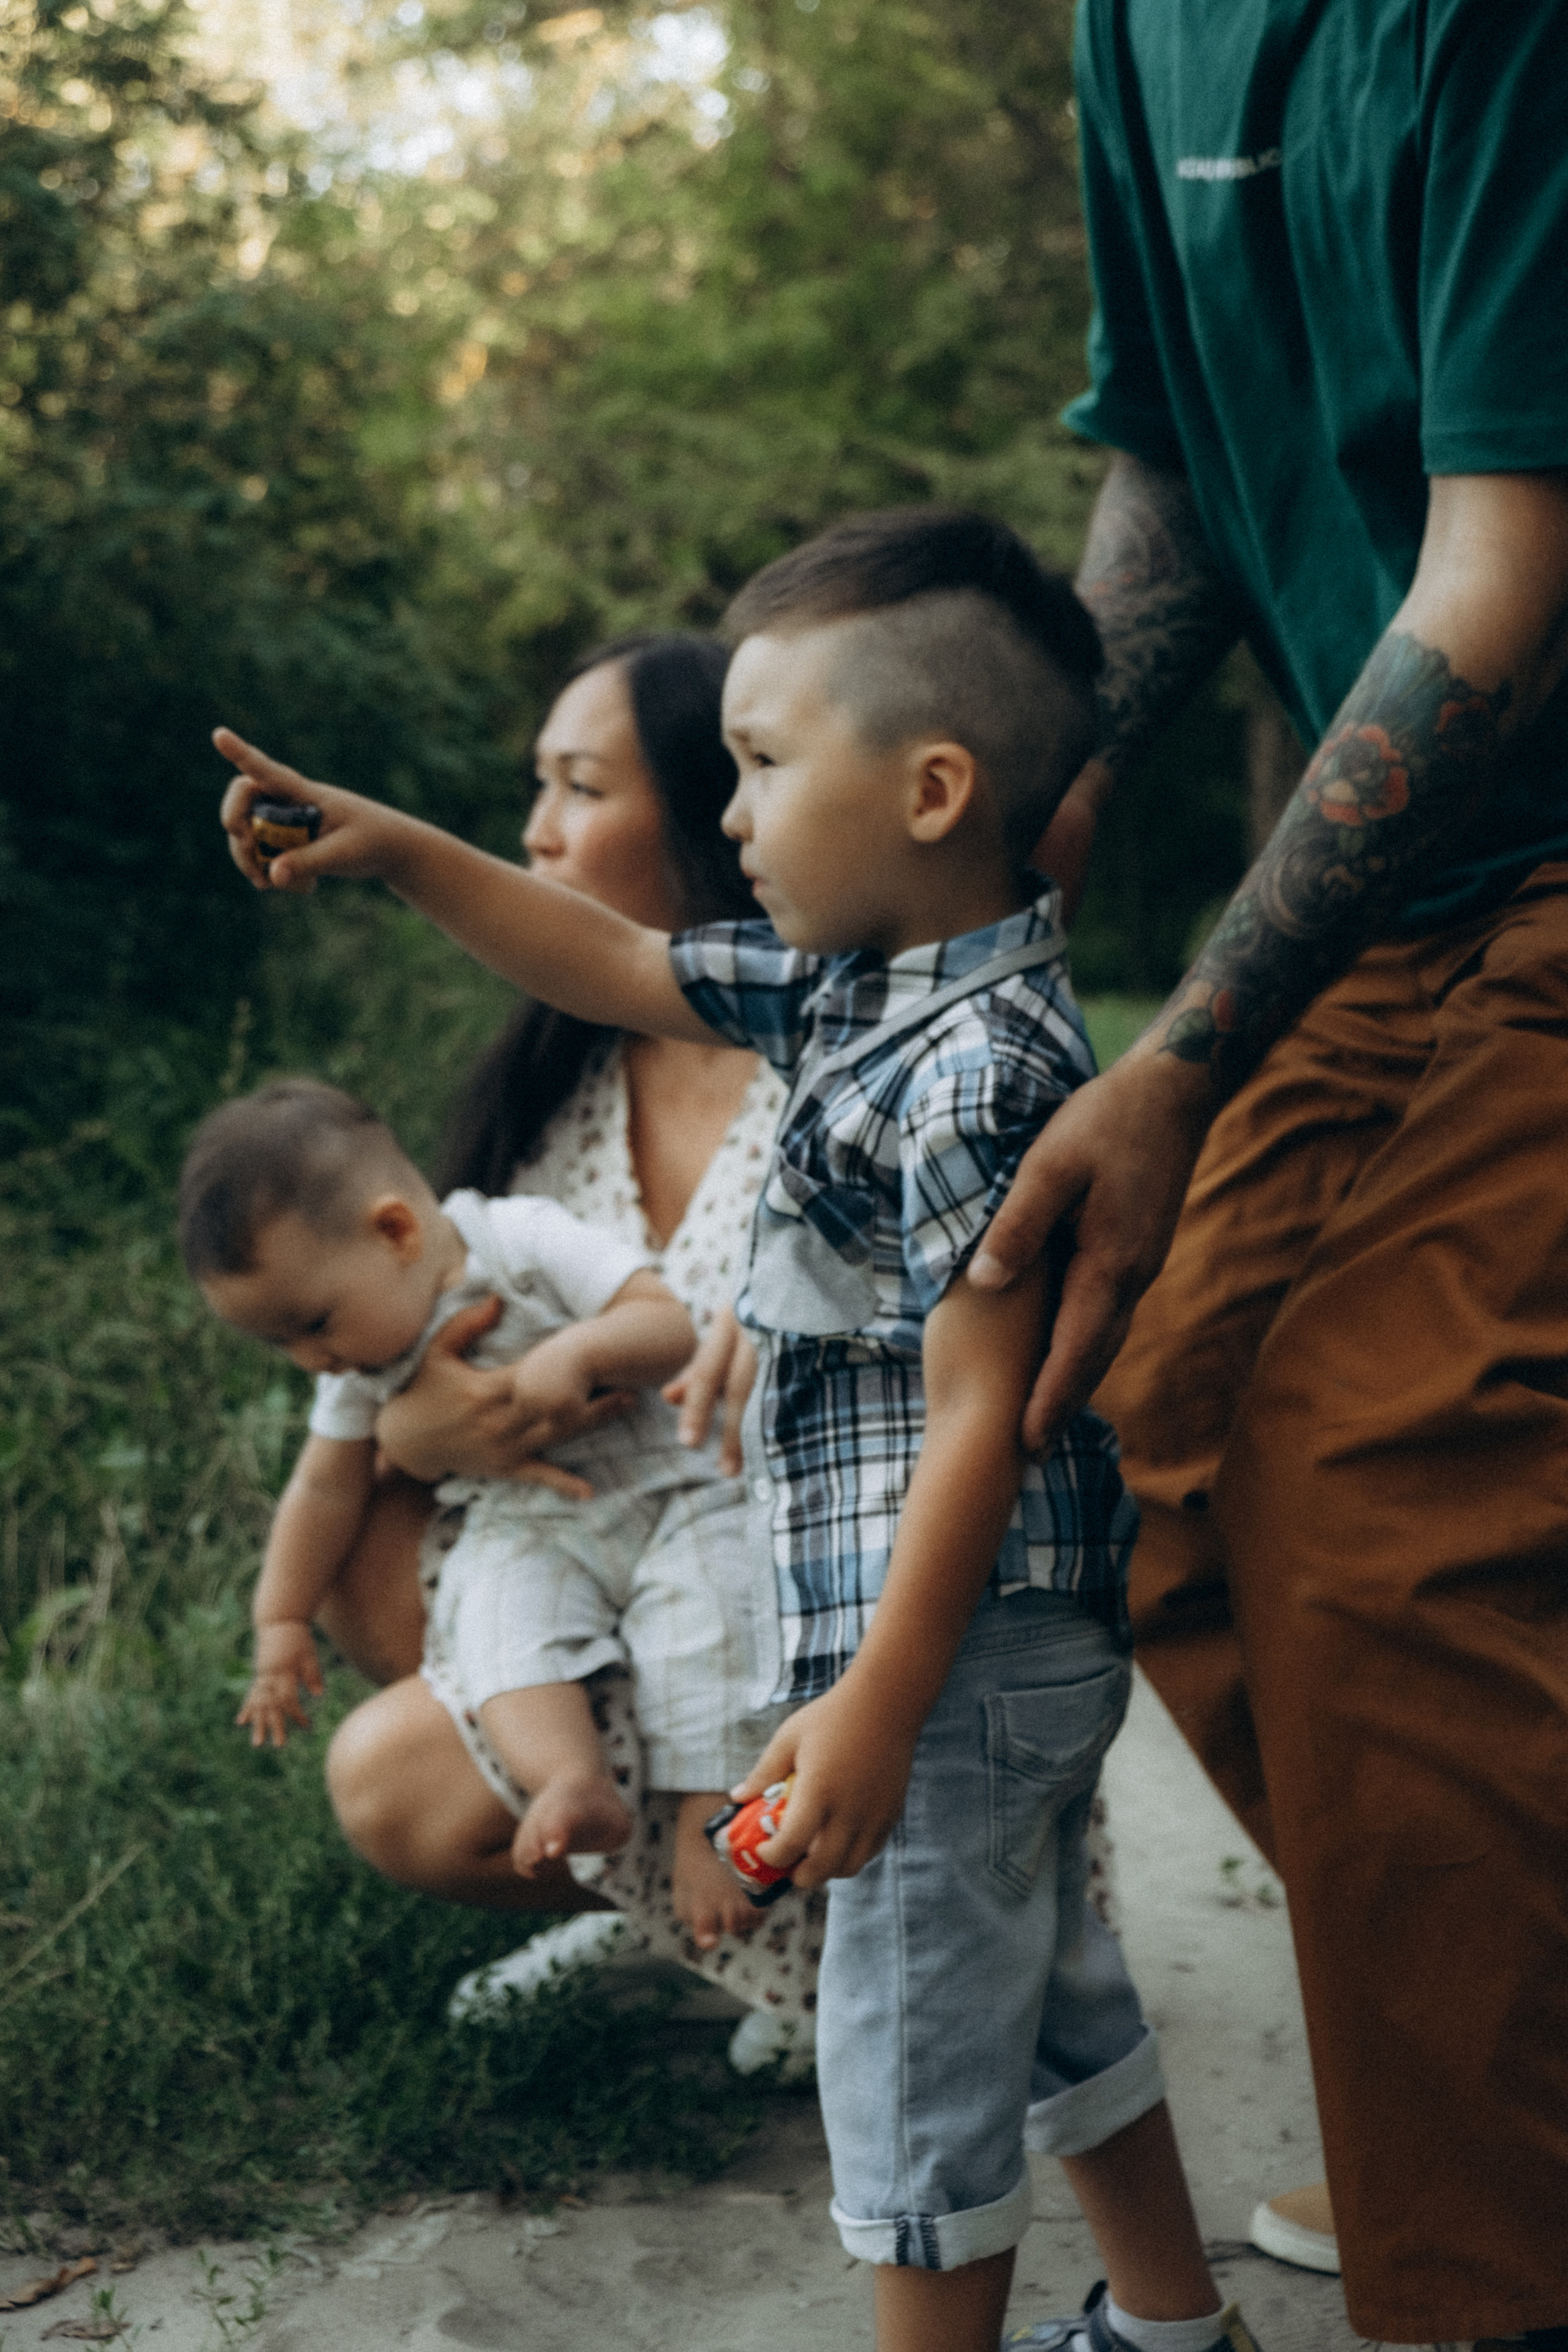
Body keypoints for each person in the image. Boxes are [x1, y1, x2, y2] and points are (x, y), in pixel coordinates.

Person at [213, 507, 1264, 2352]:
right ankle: (1177, 2329)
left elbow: (981, 1427)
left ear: (933, 789)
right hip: (961, 1644)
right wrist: (397, 852)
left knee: (911, 2052)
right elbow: (606, 960)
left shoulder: (983, 1074)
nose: (740, 816)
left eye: (763, 767)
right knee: (1047, 1995)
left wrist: (875, 1695)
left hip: (951, 1640)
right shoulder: (862, 992)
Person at [956, 6, 1568, 2345]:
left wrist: (1184, 1051)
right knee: (1144, 1437)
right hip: (1403, 892)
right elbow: (1179, 473)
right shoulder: (1141, 18)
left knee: (1377, 1479)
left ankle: (1492, 2264)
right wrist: (1040, 768)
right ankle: (1499, 2072)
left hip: (1547, 853)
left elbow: (1500, 563)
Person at [274, 635, 825, 2064]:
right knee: (365, 1566)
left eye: (580, 787)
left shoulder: (832, 1053)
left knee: (404, 1767)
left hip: (806, 1600)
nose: (536, 834)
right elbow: (397, 1344)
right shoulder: (556, 1074)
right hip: (596, 1561)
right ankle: (682, 1929)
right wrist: (416, 1437)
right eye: (537, 787)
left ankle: (803, 1942)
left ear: (721, 806)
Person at [177, 1076, 749, 1879]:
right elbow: (322, 1491)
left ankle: (707, 1822)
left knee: (712, 1619)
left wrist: (580, 1351)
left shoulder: (518, 1240)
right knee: (498, 1633)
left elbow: (669, 1326)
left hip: (670, 1489)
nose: (313, 1360)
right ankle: (569, 1780)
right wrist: (280, 1620)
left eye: (313, 1324)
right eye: (282, 1344)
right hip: (530, 1528)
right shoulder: (355, 1370)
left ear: (397, 1231)